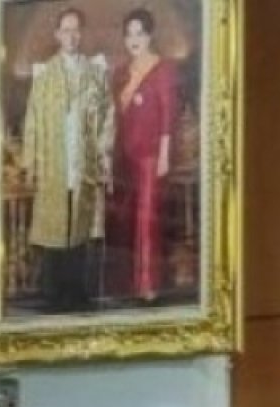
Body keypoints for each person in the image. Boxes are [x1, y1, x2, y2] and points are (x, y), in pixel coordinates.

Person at [20, 7, 114, 312]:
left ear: (80, 34)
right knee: (55, 223)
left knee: (81, 225)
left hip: (83, 160)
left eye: (76, 30)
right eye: (66, 30)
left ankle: (78, 293)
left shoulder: (95, 73)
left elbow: (108, 115)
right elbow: (32, 119)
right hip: (54, 162)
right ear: (57, 34)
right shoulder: (45, 75)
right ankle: (53, 293)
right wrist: (31, 162)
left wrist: (104, 153)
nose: (71, 36)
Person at [109, 8, 179, 303]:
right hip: (126, 157)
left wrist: (164, 155)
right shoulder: (121, 72)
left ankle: (148, 285)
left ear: (150, 36)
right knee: (127, 222)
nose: (134, 39)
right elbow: (115, 117)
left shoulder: (162, 69)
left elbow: (168, 115)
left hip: (150, 157)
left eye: (139, 33)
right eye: (129, 34)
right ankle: (130, 284)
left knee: (147, 221)